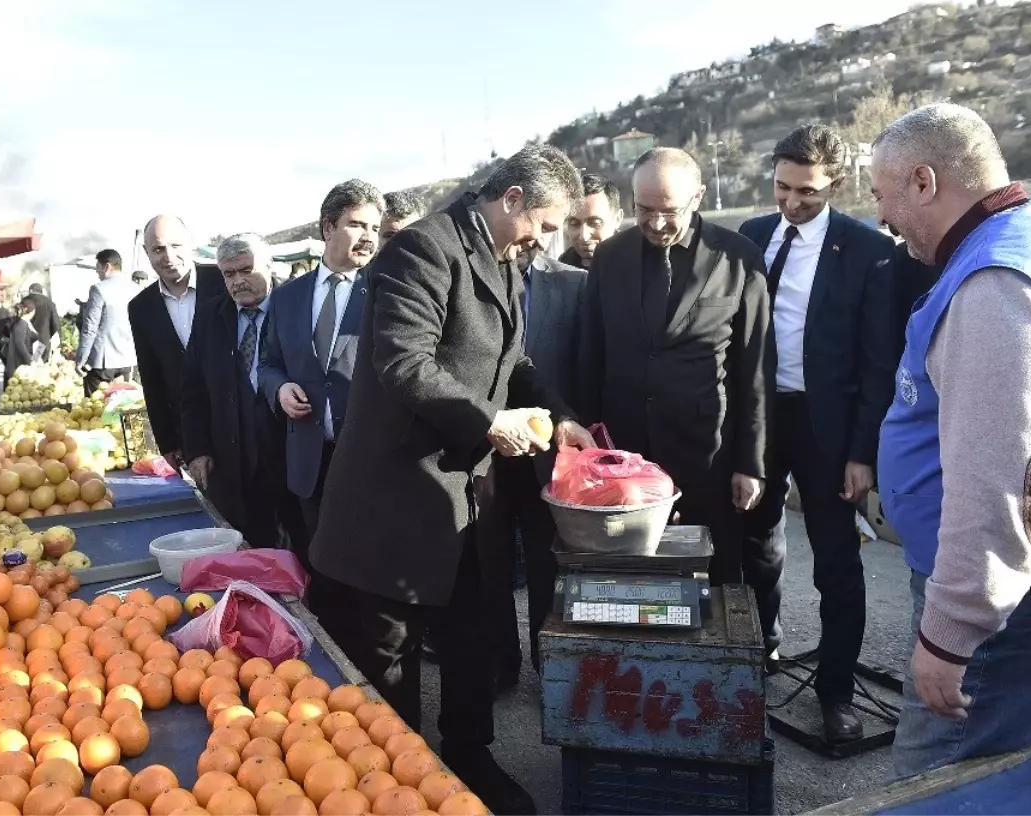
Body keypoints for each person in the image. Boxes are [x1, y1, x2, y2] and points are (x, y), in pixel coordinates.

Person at [311, 144, 593, 816]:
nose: (546, 240)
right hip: (399, 495)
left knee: (472, 631)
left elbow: (513, 358)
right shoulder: (423, 250)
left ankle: (469, 754)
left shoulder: (503, 258)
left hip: (468, 495)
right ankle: (397, 776)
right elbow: (403, 362)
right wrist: (489, 423)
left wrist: (562, 415)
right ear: (514, 199)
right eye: (545, 224)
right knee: (391, 650)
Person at [871, 103, 1031, 778]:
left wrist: (950, 634)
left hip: (997, 621)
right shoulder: (1026, 236)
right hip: (1013, 601)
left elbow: (1001, 476)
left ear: (924, 181)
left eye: (885, 198)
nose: (884, 221)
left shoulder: (993, 283)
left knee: (935, 787)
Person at [738, 124, 897, 742]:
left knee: (836, 561)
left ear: (834, 184)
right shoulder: (752, 234)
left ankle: (835, 691)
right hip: (760, 416)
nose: (791, 202)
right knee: (755, 544)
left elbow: (878, 361)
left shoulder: (867, 249)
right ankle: (759, 654)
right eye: (782, 187)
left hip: (828, 427)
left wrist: (863, 453)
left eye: (805, 191)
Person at [578, 148, 771, 585]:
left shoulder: (739, 258)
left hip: (706, 454)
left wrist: (751, 463)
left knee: (712, 574)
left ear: (698, 197)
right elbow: (591, 355)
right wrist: (588, 447)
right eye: (643, 210)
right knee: (627, 577)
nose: (656, 223)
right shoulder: (609, 258)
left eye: (669, 211)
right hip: (622, 455)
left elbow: (755, 367)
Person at [259, 179, 383, 554]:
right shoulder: (286, 298)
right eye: (358, 225)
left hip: (368, 459)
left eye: (375, 228)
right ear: (328, 227)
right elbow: (268, 363)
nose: (369, 237)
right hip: (308, 462)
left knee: (367, 565)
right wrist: (279, 388)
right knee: (321, 565)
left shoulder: (387, 293)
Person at [483, 241, 585, 690]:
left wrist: (570, 419)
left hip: (551, 452)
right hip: (484, 450)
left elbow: (586, 365)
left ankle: (553, 665)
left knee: (549, 564)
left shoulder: (574, 283)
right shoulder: (472, 283)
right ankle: (500, 663)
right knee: (490, 563)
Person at [182, 233, 285, 548]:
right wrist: (197, 449)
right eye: (229, 274)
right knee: (248, 546)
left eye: (247, 269)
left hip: (289, 453)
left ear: (268, 266)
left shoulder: (295, 306)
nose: (238, 281)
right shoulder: (211, 316)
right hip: (232, 459)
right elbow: (193, 387)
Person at [129, 215, 227, 468]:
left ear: (190, 244)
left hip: (242, 426)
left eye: (175, 246)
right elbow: (151, 379)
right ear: (146, 253)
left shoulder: (225, 281)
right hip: (189, 436)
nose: (168, 257)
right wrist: (168, 443)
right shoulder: (141, 307)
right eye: (158, 249)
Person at [75, 249, 139, 396]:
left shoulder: (99, 289)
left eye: (98, 267)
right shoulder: (136, 289)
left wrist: (81, 359)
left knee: (95, 409)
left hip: (102, 361)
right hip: (127, 359)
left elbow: (90, 327)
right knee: (123, 407)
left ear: (107, 266)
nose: (97, 272)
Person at [560, 173, 623, 268]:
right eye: (574, 223)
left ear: (617, 219)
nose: (583, 237)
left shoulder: (640, 266)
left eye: (595, 223)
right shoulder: (561, 269)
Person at [5, 297, 40, 385]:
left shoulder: (24, 322)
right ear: (32, 311)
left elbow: (34, 338)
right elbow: (19, 343)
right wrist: (30, 360)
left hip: (21, 364)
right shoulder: (21, 324)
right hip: (18, 364)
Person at [26, 283, 60, 362]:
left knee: (28, 367)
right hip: (43, 341)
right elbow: (55, 323)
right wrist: (50, 336)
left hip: (26, 341)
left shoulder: (24, 301)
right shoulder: (48, 302)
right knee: (41, 367)